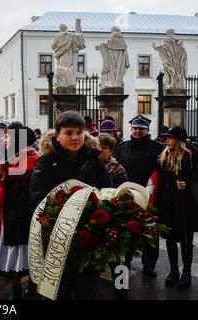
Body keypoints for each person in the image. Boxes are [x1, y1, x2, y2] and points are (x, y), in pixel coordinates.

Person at [29, 111, 112, 300]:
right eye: (69, 132)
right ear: (57, 135)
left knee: (88, 293)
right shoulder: (45, 161)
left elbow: (107, 191)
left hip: (90, 239)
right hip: (56, 241)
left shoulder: (94, 159)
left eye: (79, 132)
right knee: (55, 293)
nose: (75, 137)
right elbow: (38, 200)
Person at [0, 122, 39, 300]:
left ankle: (16, 291)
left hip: (11, 218)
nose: (4, 140)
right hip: (33, 216)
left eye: (7, 137)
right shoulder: (38, 160)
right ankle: (32, 287)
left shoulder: (5, 165)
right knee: (33, 254)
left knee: (15, 256)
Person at [114, 114, 165, 277]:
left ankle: (149, 265)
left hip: (150, 196)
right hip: (127, 196)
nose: (137, 131)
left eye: (141, 129)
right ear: (131, 129)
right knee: (127, 230)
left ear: (148, 130)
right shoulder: (122, 146)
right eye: (135, 128)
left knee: (150, 232)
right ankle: (126, 261)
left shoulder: (157, 148)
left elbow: (162, 173)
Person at [156, 126, 198, 289]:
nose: (166, 141)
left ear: (179, 140)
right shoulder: (164, 155)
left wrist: (187, 185)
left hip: (185, 205)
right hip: (168, 204)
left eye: (170, 138)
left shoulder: (193, 154)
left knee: (186, 239)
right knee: (170, 239)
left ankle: (186, 272)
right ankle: (173, 271)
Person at [98, 133, 129, 300]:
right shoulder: (90, 166)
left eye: (105, 148)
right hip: (95, 217)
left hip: (113, 216)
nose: (101, 151)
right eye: (98, 147)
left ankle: (122, 292)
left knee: (118, 259)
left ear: (111, 150)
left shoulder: (118, 169)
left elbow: (121, 193)